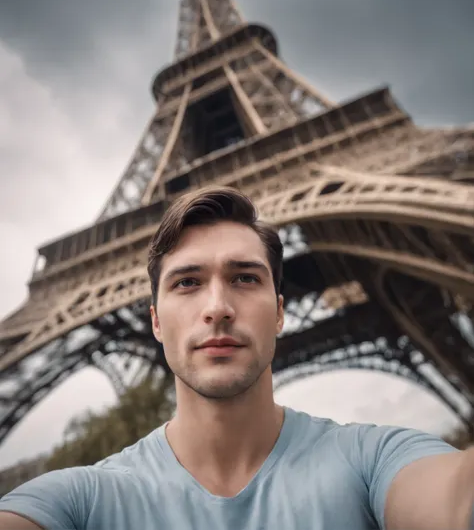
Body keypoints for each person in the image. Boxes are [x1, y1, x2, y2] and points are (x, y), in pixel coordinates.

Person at [0, 186, 473, 530]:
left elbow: (452, 503)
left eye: (245, 278)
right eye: (186, 282)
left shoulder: (374, 461)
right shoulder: (80, 501)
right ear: (156, 322)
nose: (217, 308)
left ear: (280, 312)